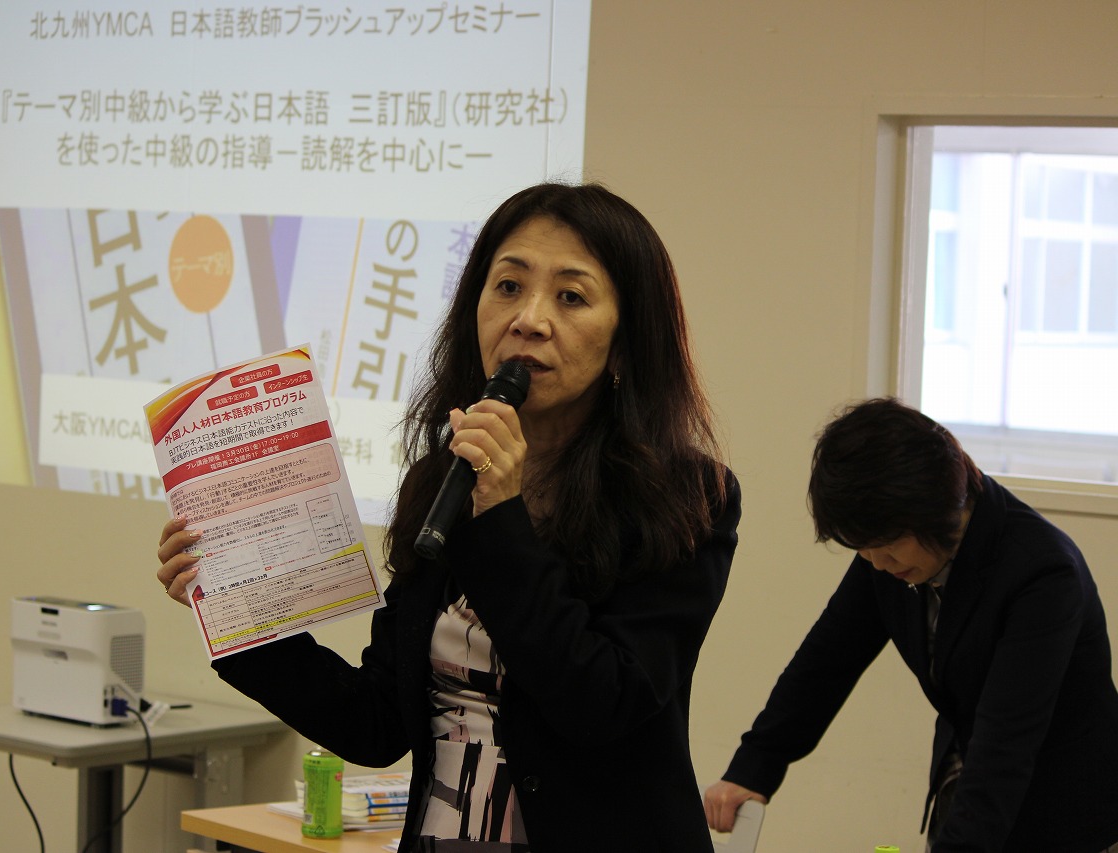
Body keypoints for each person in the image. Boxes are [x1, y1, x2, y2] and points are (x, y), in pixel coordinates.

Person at [158, 182, 741, 852]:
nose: (529, 320)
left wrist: (502, 516)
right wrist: (238, 616)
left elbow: (601, 702)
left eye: (571, 297)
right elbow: (376, 722)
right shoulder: (442, 480)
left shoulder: (687, 499)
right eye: (508, 287)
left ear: (625, 341)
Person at [702, 397, 1118, 852]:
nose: (876, 563)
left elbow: (1006, 746)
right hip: (972, 794)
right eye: (861, 548)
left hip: (1065, 812)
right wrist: (754, 767)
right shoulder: (893, 549)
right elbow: (826, 661)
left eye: (886, 546)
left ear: (937, 510)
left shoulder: (1041, 574)